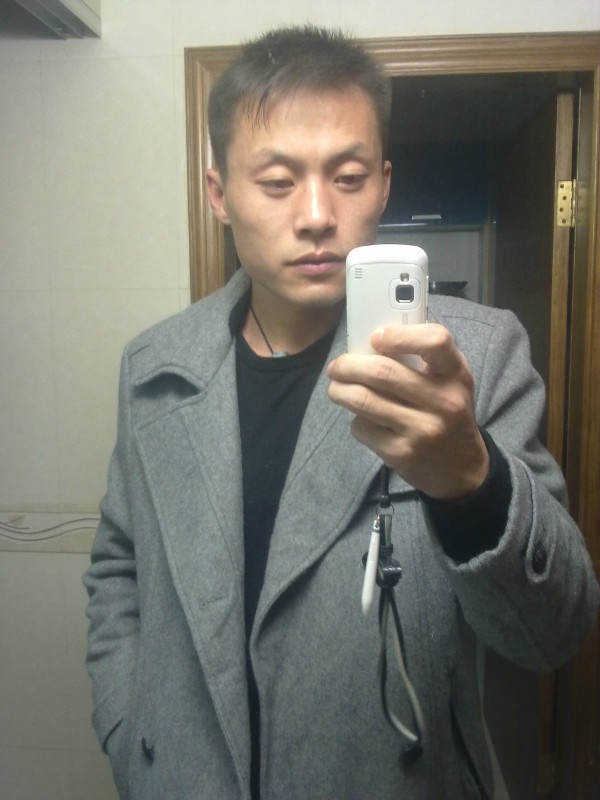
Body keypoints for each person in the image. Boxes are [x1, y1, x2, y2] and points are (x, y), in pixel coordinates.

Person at [84, 25, 599, 800]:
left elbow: (552, 633)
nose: (318, 213)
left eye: (349, 176)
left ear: (384, 185)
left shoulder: (475, 358)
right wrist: (129, 729)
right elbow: (118, 569)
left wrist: (472, 480)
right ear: (219, 195)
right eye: (278, 181)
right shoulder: (156, 368)